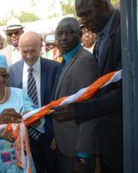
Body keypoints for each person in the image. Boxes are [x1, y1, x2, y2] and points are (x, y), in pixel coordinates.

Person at [52, 1, 123, 172]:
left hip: (115, 140)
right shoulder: (101, 39)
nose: (83, 21)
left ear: (102, 5)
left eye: (86, 14)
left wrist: (83, 156)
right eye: (60, 34)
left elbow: (121, 93)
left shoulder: (124, 32)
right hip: (75, 144)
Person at [51, 17, 99, 173]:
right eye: (60, 33)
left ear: (80, 35)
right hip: (64, 144)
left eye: (70, 33)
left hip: (76, 150)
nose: (64, 38)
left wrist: (82, 156)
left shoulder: (85, 61)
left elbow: (90, 110)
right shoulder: (66, 60)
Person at [9, 31, 60, 173]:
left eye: (33, 51)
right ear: (19, 49)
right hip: (24, 136)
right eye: (25, 52)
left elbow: (59, 104)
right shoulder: (13, 71)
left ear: (41, 47)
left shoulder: (54, 68)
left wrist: (57, 133)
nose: (29, 56)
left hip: (50, 136)